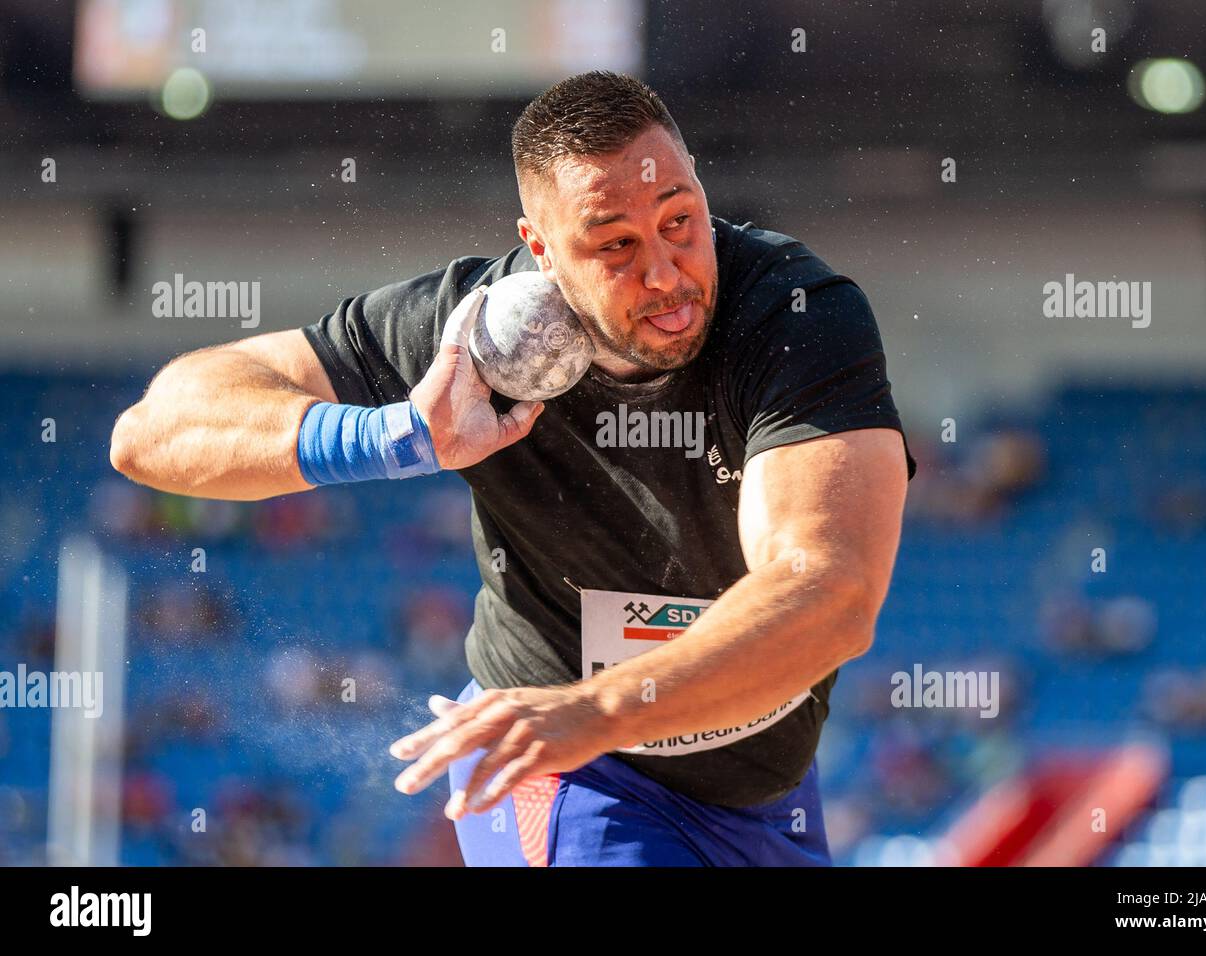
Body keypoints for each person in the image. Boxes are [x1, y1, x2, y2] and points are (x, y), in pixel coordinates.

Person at [110, 70, 916, 866]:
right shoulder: (468, 335)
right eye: (615, 245)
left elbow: (831, 595)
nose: (665, 273)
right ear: (542, 251)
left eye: (680, 220)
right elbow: (153, 430)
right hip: (568, 770)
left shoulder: (793, 314)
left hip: (760, 791)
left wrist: (599, 708)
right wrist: (394, 437)